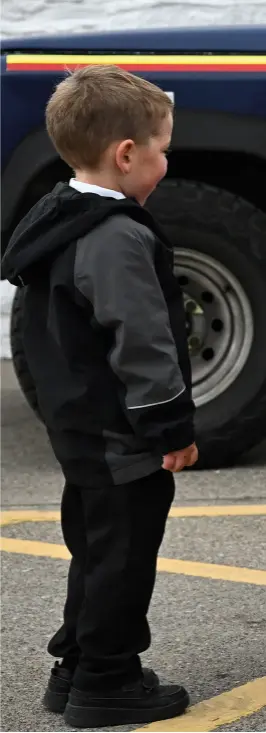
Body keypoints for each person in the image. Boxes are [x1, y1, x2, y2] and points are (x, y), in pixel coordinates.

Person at [2, 65, 198, 728]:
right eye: (162, 150)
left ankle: (76, 667)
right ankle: (108, 681)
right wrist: (172, 428)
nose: (166, 161)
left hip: (80, 430)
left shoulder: (56, 218)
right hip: (121, 438)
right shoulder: (115, 238)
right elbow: (143, 343)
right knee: (121, 557)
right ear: (126, 154)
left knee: (95, 549)